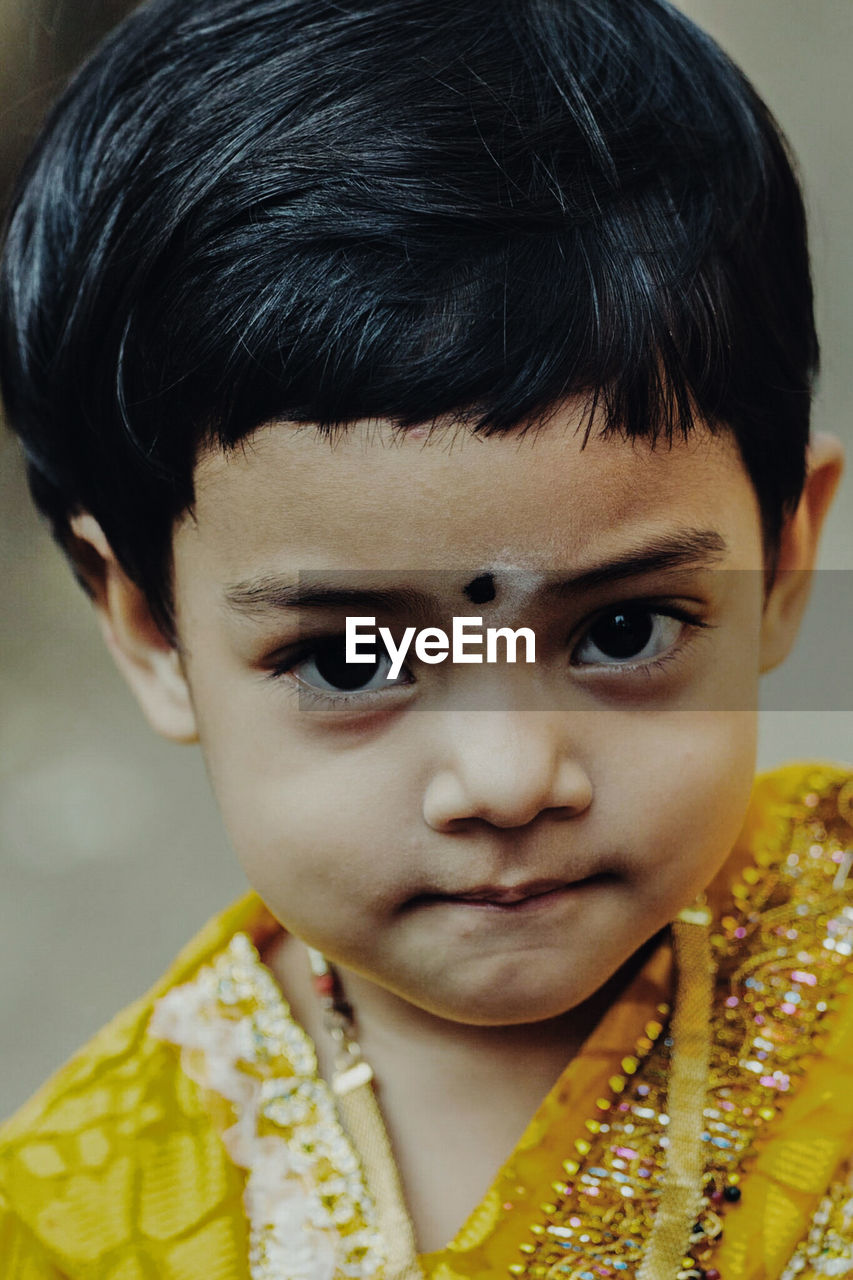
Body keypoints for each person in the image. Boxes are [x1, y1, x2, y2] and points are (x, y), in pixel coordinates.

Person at [0, 0, 850, 1275]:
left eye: (621, 629)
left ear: (784, 557)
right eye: (351, 659)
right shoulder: (82, 1214)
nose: (508, 778)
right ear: (148, 627)